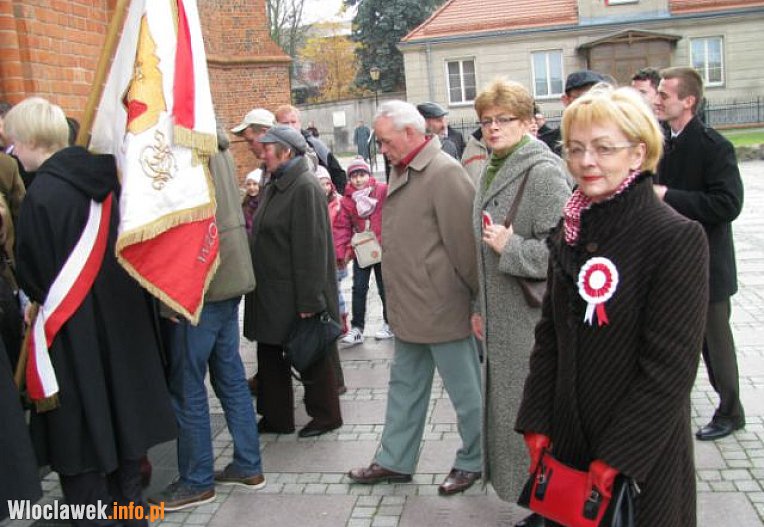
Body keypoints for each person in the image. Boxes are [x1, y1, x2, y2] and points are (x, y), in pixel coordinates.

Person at [515, 85, 709, 526]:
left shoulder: (674, 236)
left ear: (637, 154)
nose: (586, 161)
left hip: (640, 455)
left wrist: (619, 455)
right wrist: (537, 418)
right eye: (575, 148)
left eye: (604, 148)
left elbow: (670, 369)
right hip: (570, 446)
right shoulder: (571, 228)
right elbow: (550, 336)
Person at [8, 96, 176, 524]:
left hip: (75, 341)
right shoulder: (109, 181)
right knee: (126, 457)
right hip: (123, 332)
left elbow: (34, 276)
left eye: (15, 143)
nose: (13, 151)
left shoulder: (42, 195)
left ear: (32, 141)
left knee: (83, 460)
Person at [348, 100, 483, 496]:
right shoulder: (404, 166)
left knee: (467, 394)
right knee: (404, 388)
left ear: (411, 133)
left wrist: (477, 306)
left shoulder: (444, 172)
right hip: (410, 307)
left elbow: (467, 249)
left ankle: (475, 460)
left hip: (443, 308)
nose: (381, 149)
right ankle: (395, 460)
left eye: (385, 141)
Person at [149, 127, 264, 511]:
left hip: (200, 284)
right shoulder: (216, 144)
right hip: (227, 276)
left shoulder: (185, 146)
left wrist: (172, 300)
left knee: (188, 387)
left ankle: (197, 480)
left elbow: (184, 224)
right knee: (229, 377)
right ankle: (248, 465)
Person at [470, 79, 571, 503]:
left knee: (532, 416)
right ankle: (530, 497)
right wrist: (479, 306)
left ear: (529, 122)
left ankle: (544, 500)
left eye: (504, 119)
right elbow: (480, 251)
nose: (493, 128)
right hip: (501, 319)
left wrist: (511, 248)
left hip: (531, 323)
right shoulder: (492, 166)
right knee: (511, 411)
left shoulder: (544, 172)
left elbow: (564, 253)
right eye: (486, 121)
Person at [654, 66, 745, 441]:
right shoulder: (663, 142)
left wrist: (668, 196)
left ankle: (731, 411)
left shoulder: (714, 146)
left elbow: (728, 204)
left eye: (664, 94)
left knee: (715, 345)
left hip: (708, 266)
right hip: (671, 263)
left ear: (688, 101)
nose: (657, 100)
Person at [243, 125, 343, 438]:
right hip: (272, 292)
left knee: (310, 353)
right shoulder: (275, 182)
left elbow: (311, 247)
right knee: (270, 354)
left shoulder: (304, 186)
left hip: (294, 293)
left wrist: (311, 300)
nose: (262, 153)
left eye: (267, 148)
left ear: (286, 151)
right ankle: (276, 416)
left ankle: (326, 416)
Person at [334, 157, 392, 347]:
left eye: (362, 175)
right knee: (358, 288)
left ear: (368, 175)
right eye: (354, 176)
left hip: (382, 247)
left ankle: (390, 323)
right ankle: (357, 328)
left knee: (385, 287)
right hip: (362, 249)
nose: (358, 180)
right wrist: (341, 252)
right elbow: (341, 227)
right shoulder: (347, 200)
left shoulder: (381, 191)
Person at [274, 105, 347, 194]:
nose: (290, 126)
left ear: (299, 123)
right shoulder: (271, 148)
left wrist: (335, 198)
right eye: (285, 123)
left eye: (293, 122)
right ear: (277, 125)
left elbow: (338, 173)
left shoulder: (315, 145)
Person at [538, 69, 607, 155]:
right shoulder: (546, 146)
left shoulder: (616, 138)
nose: (591, 104)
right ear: (566, 100)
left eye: (597, 98)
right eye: (582, 99)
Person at [231, 107, 275, 185]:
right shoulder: (269, 170)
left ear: (265, 133)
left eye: (250, 141)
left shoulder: (286, 170)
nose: (249, 147)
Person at [242, 168, 262, 235]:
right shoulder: (244, 203)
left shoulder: (263, 202)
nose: (251, 187)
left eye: (255, 184)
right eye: (248, 184)